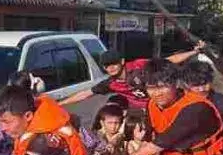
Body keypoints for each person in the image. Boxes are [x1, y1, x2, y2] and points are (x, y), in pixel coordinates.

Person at [59, 42, 206, 110]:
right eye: (107, 66)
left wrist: (194, 52)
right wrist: (61, 103)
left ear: (122, 61)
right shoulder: (110, 83)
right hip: (142, 112)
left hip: (163, 104)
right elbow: (86, 93)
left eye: (114, 64)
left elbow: (168, 61)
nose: (111, 68)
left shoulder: (139, 66)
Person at [183, 60, 223, 133]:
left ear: (211, 80)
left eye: (205, 83)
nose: (201, 89)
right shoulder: (178, 104)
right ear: (186, 84)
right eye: (196, 85)